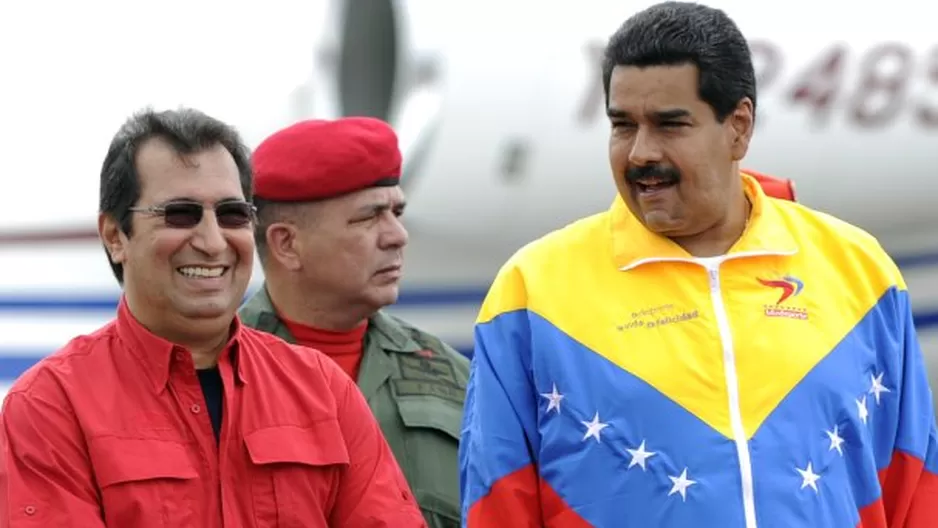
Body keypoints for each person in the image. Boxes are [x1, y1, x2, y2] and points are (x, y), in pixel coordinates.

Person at [458, 2, 938, 527]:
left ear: (739, 127)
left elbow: (914, 492)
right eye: (623, 126)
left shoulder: (861, 273)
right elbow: (496, 505)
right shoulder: (533, 292)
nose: (640, 152)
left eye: (670, 125)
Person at [0, 107, 427, 528]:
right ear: (115, 236)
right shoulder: (51, 408)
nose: (211, 240)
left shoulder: (324, 391)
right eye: (180, 214)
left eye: (232, 214)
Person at [238, 116, 468, 528]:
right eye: (368, 217)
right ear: (287, 244)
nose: (397, 235)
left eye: (397, 212)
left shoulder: (453, 376)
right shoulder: (213, 373)